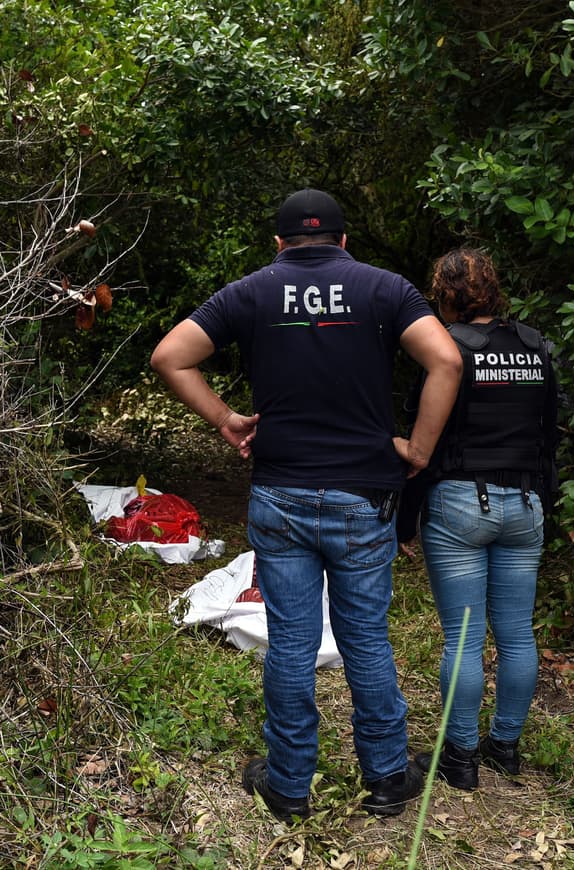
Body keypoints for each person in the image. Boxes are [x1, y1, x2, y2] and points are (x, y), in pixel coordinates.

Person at [150, 189, 461, 820]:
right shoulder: (385, 289)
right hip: (364, 493)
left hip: (282, 492)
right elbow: (447, 359)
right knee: (366, 638)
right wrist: (420, 449)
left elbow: (169, 356)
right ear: (344, 242)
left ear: (279, 244)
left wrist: (226, 419)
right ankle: (388, 778)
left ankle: (290, 785)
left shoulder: (251, 290)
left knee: (291, 642)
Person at [407, 247, 558, 790]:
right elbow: (549, 436)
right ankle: (506, 747)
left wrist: (406, 521)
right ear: (494, 287)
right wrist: (546, 500)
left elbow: (427, 440)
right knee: (517, 634)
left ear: (443, 293)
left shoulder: (445, 349)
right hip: (525, 504)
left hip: (461, 503)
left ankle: (461, 758)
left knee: (464, 639)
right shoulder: (536, 346)